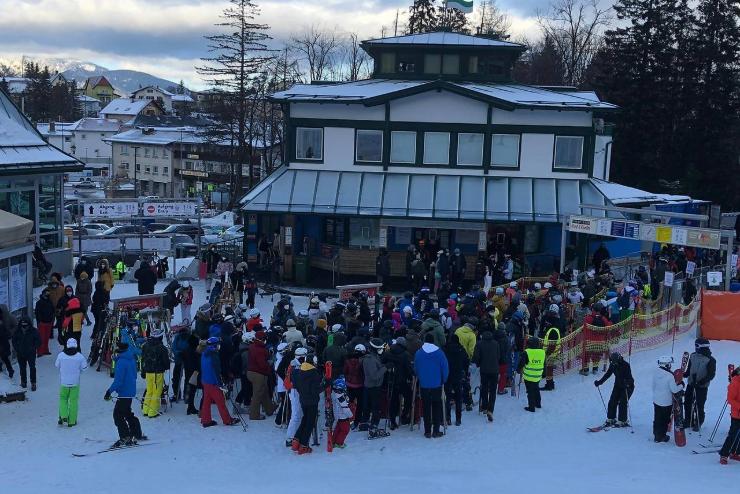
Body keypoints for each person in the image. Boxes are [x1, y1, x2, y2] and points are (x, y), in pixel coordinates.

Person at [104, 340, 145, 446]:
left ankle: (125, 437)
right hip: (130, 391)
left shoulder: (121, 362)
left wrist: (109, 391)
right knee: (127, 413)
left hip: (124, 392)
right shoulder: (131, 359)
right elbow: (135, 375)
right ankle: (136, 433)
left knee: (117, 415)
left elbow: (118, 381)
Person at [414, 333, 449, 438]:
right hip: (436, 384)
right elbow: (445, 368)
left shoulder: (419, 353)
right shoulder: (439, 353)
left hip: (424, 384)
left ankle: (427, 430)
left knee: (426, 407)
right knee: (436, 406)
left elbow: (416, 368)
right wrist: (443, 379)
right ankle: (436, 430)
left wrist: (420, 377)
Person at [200, 336, 240, 427]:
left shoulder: (204, 353)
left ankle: (205, 420)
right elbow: (216, 371)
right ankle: (227, 420)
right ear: (214, 346)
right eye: (218, 345)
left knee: (206, 401)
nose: (219, 346)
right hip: (213, 382)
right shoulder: (214, 355)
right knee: (221, 401)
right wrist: (220, 383)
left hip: (205, 381)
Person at [291, 348, 323, 454]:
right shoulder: (313, 374)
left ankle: (296, 440)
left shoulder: (300, 370)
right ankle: (304, 445)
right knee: (309, 423)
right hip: (312, 401)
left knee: (304, 420)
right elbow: (315, 390)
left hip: (303, 399)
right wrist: (326, 384)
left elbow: (296, 385)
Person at [595, 352, 635, 427]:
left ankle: (623, 420)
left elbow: (630, 378)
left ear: (619, 360)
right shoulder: (613, 365)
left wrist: (627, 383)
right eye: (612, 362)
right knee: (612, 401)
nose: (614, 363)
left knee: (622, 402)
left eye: (615, 362)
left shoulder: (625, 365)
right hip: (618, 386)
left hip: (628, 387)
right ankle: (611, 418)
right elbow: (608, 374)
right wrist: (600, 382)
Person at [684, 338, 716, 430]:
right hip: (691, 384)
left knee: (699, 404)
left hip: (701, 386)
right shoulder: (693, 356)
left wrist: (702, 382)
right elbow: (689, 368)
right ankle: (688, 420)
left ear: (703, 347)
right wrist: (685, 374)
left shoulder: (710, 360)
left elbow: (711, 374)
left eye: (697, 346)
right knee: (687, 402)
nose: (695, 348)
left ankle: (698, 421)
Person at [55, 338, 87, 427]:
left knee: (63, 399)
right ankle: (72, 421)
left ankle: (63, 416)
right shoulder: (80, 356)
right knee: (73, 402)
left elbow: (56, 365)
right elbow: (84, 368)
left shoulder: (61, 355)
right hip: (75, 383)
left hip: (64, 383)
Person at [652, 355, 684, 443]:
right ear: (666, 365)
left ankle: (656, 434)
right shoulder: (670, 376)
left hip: (656, 400)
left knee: (657, 418)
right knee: (665, 419)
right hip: (666, 402)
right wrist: (681, 386)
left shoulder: (656, 372)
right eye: (669, 364)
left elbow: (653, 386)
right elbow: (674, 389)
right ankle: (662, 436)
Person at [140, 328, 170, 418]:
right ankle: (153, 412)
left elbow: (143, 359)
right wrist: (166, 367)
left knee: (149, 391)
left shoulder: (145, 346)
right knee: (156, 392)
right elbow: (166, 362)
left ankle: (145, 410)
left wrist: (143, 370)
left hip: (148, 372)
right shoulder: (162, 348)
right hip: (157, 373)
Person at [473, 326, 500, 422]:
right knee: (493, 390)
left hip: (484, 370)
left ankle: (484, 406)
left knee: (484, 388)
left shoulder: (479, 344)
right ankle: (490, 410)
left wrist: (479, 363)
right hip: (495, 370)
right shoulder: (496, 343)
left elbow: (476, 357)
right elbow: (498, 356)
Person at [362, 338, 388, 438]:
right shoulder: (370, 360)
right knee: (374, 407)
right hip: (373, 387)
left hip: (373, 386)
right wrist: (385, 368)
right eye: (380, 348)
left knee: (372, 407)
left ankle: (368, 423)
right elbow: (374, 376)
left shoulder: (374, 357)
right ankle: (373, 426)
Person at [247, 330, 276, 420]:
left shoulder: (252, 346)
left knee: (264, 392)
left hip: (251, 372)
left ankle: (269, 409)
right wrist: (269, 363)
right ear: (262, 339)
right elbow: (262, 364)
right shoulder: (260, 350)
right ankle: (254, 415)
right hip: (258, 374)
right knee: (257, 394)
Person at [444, 333, 469, 427]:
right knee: (458, 397)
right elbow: (466, 361)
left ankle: (448, 418)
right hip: (458, 376)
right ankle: (458, 419)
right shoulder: (461, 349)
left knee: (447, 397)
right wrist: (464, 371)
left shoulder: (446, 349)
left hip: (448, 375)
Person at [12, 316, 40, 390]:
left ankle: (33, 383)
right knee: (22, 368)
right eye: (22, 326)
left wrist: (33, 348)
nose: (24, 328)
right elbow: (14, 341)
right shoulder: (17, 331)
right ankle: (23, 382)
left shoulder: (34, 331)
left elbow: (38, 341)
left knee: (32, 368)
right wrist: (17, 349)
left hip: (31, 353)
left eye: (26, 326)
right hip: (21, 353)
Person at [286, 347, 306, 449]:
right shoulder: (295, 366)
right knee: (296, 415)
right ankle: (290, 438)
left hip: (296, 391)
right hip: (295, 391)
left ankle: (295, 436)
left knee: (299, 414)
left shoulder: (294, 363)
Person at [719, 366, 740, 464]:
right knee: (733, 434)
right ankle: (724, 454)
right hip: (737, 414)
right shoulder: (735, 383)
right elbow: (730, 399)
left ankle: (735, 452)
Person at [518, 336, 545, 412]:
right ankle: (538, 404)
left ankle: (531, 407)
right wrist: (544, 374)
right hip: (538, 375)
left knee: (530, 391)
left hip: (529, 376)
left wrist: (517, 370)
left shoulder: (527, 352)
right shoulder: (542, 352)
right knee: (536, 389)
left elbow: (521, 363)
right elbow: (544, 363)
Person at [344, 344, 366, 430]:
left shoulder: (348, 360)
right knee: (360, 405)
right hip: (360, 385)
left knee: (349, 403)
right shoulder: (362, 361)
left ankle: (348, 419)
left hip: (349, 385)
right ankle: (357, 420)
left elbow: (345, 371)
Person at [331, 377, 354, 448]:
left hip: (338, 415)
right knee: (345, 430)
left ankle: (333, 441)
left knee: (338, 428)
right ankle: (339, 443)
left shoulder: (334, 394)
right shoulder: (341, 398)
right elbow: (345, 408)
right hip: (343, 416)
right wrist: (350, 415)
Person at [34, 289, 55, 357]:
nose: (46, 295)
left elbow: (52, 311)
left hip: (49, 322)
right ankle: (40, 351)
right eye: (45, 294)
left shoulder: (50, 302)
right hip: (42, 323)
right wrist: (39, 321)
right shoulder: (39, 303)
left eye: (48, 294)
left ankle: (45, 350)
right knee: (41, 338)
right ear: (43, 294)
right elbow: (37, 313)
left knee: (46, 337)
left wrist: (52, 320)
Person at [0, 312, 13, 379]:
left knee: (4, 358)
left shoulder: (2, 326)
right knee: (5, 358)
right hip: (4, 345)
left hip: (3, 345)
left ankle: (10, 370)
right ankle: (10, 370)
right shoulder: (3, 325)